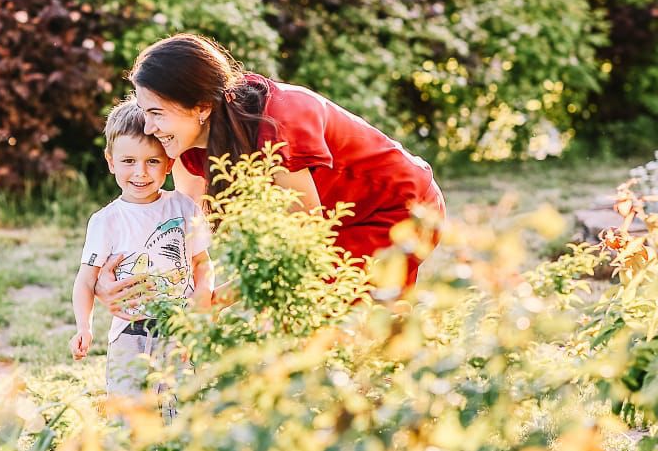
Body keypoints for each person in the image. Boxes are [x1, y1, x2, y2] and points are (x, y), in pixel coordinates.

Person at [97, 33, 444, 315]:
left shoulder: (277, 124)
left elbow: (302, 247)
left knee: (338, 327)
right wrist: (116, 280)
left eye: (156, 112)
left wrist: (215, 299)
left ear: (201, 107)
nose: (148, 126)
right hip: (332, 222)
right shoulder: (186, 141)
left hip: (397, 211)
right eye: (144, 112)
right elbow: (183, 234)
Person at [70, 98, 213, 408]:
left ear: (169, 163)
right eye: (128, 161)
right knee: (129, 414)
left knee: (183, 407)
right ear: (110, 161)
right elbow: (85, 281)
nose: (140, 172)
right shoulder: (106, 221)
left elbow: (202, 262)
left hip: (180, 331)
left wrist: (203, 296)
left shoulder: (184, 207)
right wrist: (84, 326)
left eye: (152, 161)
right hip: (129, 334)